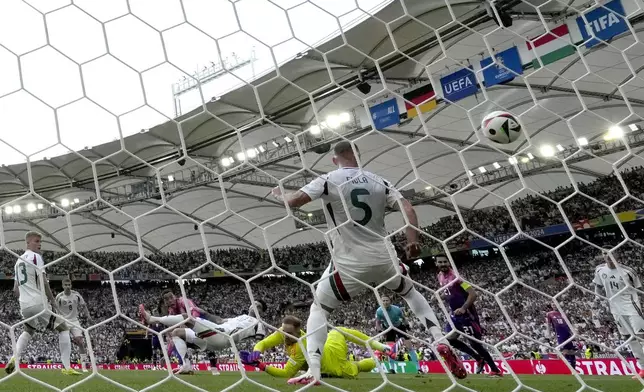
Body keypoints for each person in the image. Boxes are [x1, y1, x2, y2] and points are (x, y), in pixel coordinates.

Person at [271, 141, 465, 383]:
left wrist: (281, 195)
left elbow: (295, 201)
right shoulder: (379, 181)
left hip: (349, 264)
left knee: (319, 309)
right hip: (384, 258)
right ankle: (440, 339)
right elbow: (408, 208)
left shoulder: (328, 179)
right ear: (357, 155)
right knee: (411, 293)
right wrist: (412, 240)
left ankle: (314, 370)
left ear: (334, 159)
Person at [5, 232, 81, 376]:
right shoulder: (36, 257)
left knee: (28, 330)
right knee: (63, 328)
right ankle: (66, 367)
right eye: (36, 241)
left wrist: (26, 300)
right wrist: (53, 302)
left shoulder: (18, 262)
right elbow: (44, 282)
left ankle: (14, 357)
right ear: (27, 243)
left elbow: (15, 289)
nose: (39, 244)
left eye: (40, 242)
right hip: (38, 302)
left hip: (24, 305)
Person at [239, 315, 395, 383]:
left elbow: (286, 373)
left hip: (331, 364)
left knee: (339, 332)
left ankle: (379, 351)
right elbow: (264, 343)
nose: (284, 335)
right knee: (358, 365)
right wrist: (257, 351)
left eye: (289, 332)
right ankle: (378, 352)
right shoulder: (282, 333)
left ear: (299, 331)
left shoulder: (302, 346)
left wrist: (261, 366)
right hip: (325, 349)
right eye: (283, 331)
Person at [138, 300, 267, 374]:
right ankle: (186, 366)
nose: (254, 306)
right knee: (177, 333)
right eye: (254, 304)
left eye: (259, 306)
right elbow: (220, 320)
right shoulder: (241, 317)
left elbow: (260, 341)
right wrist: (203, 311)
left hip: (223, 337)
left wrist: (255, 353)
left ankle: (151, 319)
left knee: (186, 318)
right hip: (217, 331)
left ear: (261, 312)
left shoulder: (258, 323)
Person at [435, 254, 502, 377]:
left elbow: (473, 294)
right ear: (436, 264)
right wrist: (441, 296)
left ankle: (495, 370)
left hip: (467, 316)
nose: (443, 264)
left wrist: (463, 308)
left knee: (475, 344)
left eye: (445, 261)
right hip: (454, 316)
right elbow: (450, 293)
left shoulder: (456, 277)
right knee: (449, 340)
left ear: (449, 263)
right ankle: (478, 358)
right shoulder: (439, 276)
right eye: (440, 262)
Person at [592, 253, 644, 379]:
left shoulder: (628, 271)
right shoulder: (599, 270)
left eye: (611, 253)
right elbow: (598, 286)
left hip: (631, 307)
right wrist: (597, 299)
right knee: (629, 338)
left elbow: (639, 288)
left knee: (641, 337)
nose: (608, 256)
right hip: (616, 310)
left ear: (617, 255)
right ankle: (642, 368)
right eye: (605, 253)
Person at [375, 295, 419, 374]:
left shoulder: (396, 309)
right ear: (381, 302)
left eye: (386, 300)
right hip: (388, 329)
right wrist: (379, 331)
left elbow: (404, 319)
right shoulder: (379, 311)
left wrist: (408, 328)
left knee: (409, 347)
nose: (385, 302)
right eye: (383, 301)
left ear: (390, 301)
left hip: (399, 327)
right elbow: (377, 322)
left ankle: (418, 368)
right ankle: (392, 369)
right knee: (390, 350)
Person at [56, 278, 91, 372]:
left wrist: (88, 316)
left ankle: (84, 366)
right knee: (66, 343)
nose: (67, 286)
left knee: (80, 342)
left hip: (74, 321)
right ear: (63, 286)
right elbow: (55, 309)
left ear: (71, 285)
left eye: (69, 285)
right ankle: (65, 365)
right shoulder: (59, 297)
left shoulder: (76, 295)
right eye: (65, 285)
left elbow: (84, 305)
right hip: (64, 321)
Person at [545, 305, 577, 370]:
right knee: (565, 350)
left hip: (568, 333)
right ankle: (570, 367)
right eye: (553, 305)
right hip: (560, 334)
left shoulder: (564, 313)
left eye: (555, 304)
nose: (555, 306)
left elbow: (570, 324)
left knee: (571, 350)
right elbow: (548, 324)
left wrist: (573, 332)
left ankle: (573, 367)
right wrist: (549, 334)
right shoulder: (549, 314)